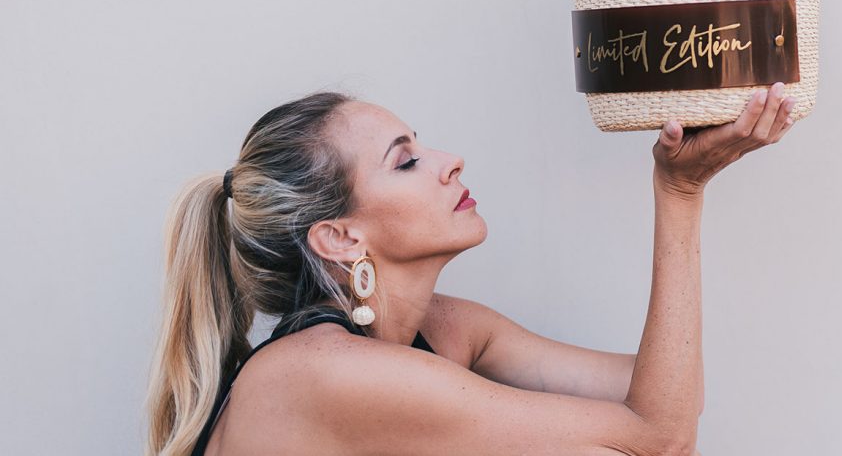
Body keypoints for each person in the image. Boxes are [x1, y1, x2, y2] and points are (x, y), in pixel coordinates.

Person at [145, 81, 796, 455]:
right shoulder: (317, 373)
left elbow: (672, 401)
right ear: (340, 237)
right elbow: (660, 437)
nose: (449, 159)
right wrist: (679, 193)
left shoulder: (451, 331)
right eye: (405, 161)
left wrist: (685, 183)